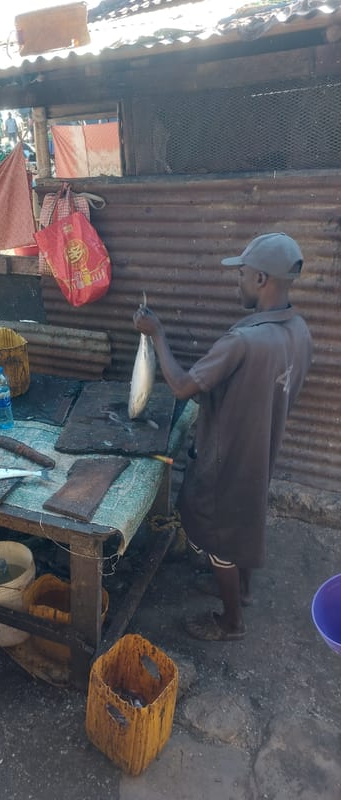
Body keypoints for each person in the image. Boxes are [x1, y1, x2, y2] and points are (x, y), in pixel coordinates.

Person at [133, 232, 312, 642]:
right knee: (245, 518)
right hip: (262, 448)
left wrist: (156, 332)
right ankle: (243, 592)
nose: (239, 281)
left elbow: (181, 386)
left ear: (263, 279)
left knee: (218, 536)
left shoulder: (243, 341)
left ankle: (230, 622)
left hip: (227, 454)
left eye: (244, 274)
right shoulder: (299, 331)